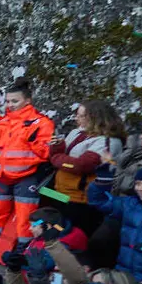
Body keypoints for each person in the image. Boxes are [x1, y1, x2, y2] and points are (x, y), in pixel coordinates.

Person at [0, 79, 56, 262]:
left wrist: (30, 140)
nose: (10, 104)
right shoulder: (2, 122)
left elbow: (46, 152)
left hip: (27, 176)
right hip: (0, 176)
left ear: (28, 101)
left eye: (14, 101)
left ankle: (23, 253)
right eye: (7, 101)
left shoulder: (41, 123)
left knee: (25, 218)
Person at [50, 99, 126, 234]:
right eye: (77, 115)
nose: (77, 118)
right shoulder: (77, 132)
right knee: (55, 230)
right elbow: (65, 157)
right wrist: (57, 147)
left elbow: (81, 165)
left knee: (74, 236)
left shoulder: (109, 141)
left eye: (82, 116)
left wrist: (55, 157)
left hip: (81, 199)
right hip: (60, 192)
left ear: (96, 118)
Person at [87, 164, 142, 283]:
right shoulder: (130, 204)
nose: (140, 188)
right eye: (137, 183)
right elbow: (99, 202)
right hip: (123, 276)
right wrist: (103, 181)